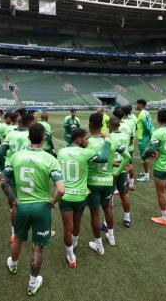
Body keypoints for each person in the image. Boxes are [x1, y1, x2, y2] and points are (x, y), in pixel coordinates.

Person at [1, 123, 65, 296]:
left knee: (18, 239)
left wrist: (13, 201)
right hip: (42, 208)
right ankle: (32, 284)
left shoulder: (16, 156)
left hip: (22, 205)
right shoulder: (50, 159)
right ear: (44, 138)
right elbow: (60, 189)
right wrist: (52, 202)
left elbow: (3, 182)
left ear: (29, 138)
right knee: (38, 247)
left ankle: (13, 264)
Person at [57, 128, 108, 268]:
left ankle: (71, 255)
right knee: (77, 222)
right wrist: (108, 141)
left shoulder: (61, 152)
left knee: (67, 227)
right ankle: (75, 242)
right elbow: (104, 158)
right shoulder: (87, 153)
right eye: (85, 138)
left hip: (65, 196)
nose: (87, 141)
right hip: (80, 196)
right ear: (78, 139)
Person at [86, 112, 131, 254]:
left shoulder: (87, 143)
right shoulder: (111, 140)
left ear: (89, 125)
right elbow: (127, 157)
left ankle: (98, 244)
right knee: (108, 209)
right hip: (108, 181)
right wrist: (117, 173)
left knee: (95, 214)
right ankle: (111, 236)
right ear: (103, 125)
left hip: (93, 182)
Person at [0, 112, 34, 243]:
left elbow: (0, 151)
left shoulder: (11, 133)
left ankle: (14, 232)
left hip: (12, 169)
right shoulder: (30, 135)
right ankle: (37, 227)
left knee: (14, 204)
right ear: (30, 123)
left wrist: (5, 166)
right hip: (28, 170)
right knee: (32, 200)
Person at [107, 116, 133, 228]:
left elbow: (108, 157)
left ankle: (106, 222)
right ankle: (127, 218)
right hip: (123, 168)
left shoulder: (108, 138)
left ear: (110, 125)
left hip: (112, 169)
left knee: (109, 196)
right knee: (124, 195)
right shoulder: (126, 136)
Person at [135, 99, 156, 182]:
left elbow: (146, 126)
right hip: (146, 136)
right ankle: (145, 172)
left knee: (143, 156)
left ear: (141, 105)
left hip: (143, 137)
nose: (136, 106)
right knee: (145, 155)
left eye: (137, 104)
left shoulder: (142, 114)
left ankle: (146, 175)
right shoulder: (146, 112)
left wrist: (149, 135)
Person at [117, 106, 137, 190]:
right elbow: (133, 134)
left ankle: (124, 184)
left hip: (123, 147)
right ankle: (131, 183)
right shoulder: (133, 120)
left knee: (122, 165)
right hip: (130, 146)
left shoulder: (122, 123)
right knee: (129, 164)